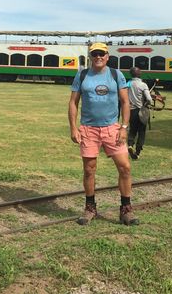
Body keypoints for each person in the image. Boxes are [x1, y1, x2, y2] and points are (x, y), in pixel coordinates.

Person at [68, 42, 139, 226]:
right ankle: (90, 208)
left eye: (102, 53)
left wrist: (123, 127)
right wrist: (73, 128)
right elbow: (73, 102)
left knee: (125, 167)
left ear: (107, 56)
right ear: (90, 57)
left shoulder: (116, 74)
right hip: (88, 130)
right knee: (89, 170)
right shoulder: (82, 75)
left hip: (112, 129)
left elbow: (125, 102)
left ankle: (126, 209)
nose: (98, 56)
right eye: (95, 54)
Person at [127, 67, 153, 160]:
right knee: (141, 132)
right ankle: (137, 152)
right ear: (138, 74)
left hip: (131, 110)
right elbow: (149, 98)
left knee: (132, 130)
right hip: (141, 111)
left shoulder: (128, 84)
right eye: (140, 71)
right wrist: (147, 103)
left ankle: (130, 145)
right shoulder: (143, 85)